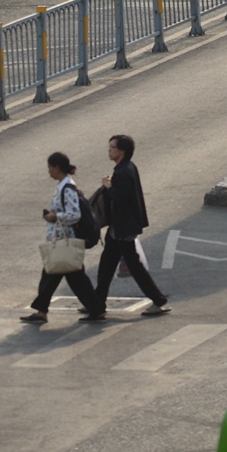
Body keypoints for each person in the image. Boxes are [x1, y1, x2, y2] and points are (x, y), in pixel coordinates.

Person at [89, 134, 170, 319]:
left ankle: (159, 301)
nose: (109, 150)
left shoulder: (124, 172)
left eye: (112, 147)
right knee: (107, 265)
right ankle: (96, 303)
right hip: (120, 228)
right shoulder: (126, 168)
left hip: (122, 229)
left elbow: (121, 199)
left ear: (122, 151)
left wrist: (108, 186)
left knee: (133, 267)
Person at [23, 151, 101, 323]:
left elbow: (74, 214)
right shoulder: (64, 186)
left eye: (50, 167)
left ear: (57, 167)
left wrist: (55, 217)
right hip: (61, 241)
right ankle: (43, 310)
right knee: (67, 276)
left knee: (57, 274)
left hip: (63, 240)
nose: (48, 171)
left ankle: (42, 311)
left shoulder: (67, 189)